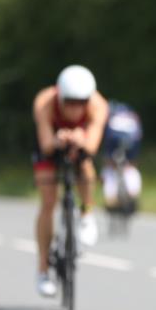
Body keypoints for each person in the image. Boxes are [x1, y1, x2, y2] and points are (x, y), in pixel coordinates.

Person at [32, 65, 109, 297]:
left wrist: (80, 139)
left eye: (81, 103)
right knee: (48, 202)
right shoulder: (44, 102)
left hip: (80, 143)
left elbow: (93, 145)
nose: (76, 109)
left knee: (85, 166)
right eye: (70, 103)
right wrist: (57, 140)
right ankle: (43, 269)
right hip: (50, 145)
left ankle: (86, 214)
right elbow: (45, 144)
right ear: (60, 97)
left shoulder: (99, 105)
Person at [101, 101, 143, 212]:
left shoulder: (109, 117)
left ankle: (111, 199)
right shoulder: (131, 116)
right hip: (132, 142)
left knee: (109, 167)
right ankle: (132, 195)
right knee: (132, 167)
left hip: (113, 143)